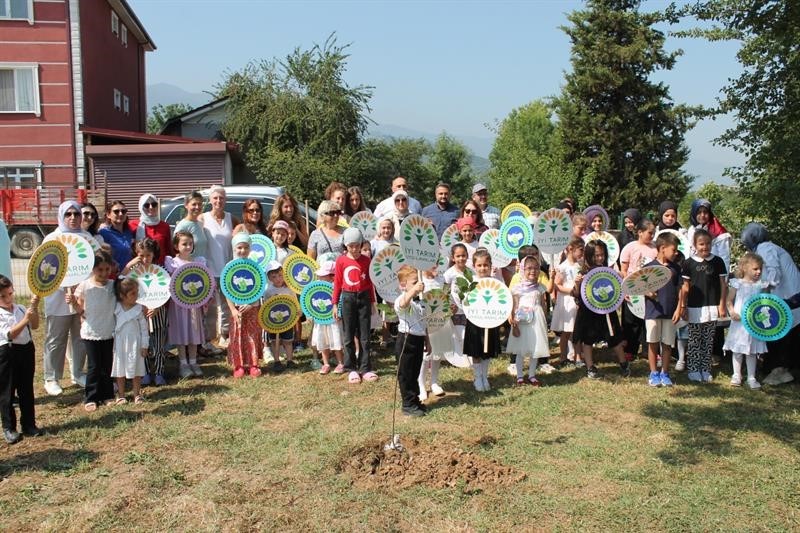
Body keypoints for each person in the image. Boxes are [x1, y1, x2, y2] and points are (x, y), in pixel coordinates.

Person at [740, 222, 800, 385]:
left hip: (789, 296)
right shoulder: (771, 247)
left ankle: (779, 370)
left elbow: (773, 272)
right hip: (790, 295)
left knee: (779, 331)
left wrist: (764, 289)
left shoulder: (765, 248)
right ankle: (782, 367)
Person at [42, 201, 90, 395]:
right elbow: (45, 268)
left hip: (82, 297)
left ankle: (78, 372)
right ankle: (51, 378)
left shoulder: (86, 238)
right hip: (58, 297)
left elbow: (92, 267)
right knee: (56, 338)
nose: (72, 217)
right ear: (61, 216)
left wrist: (79, 290)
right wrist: (65, 287)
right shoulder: (52, 239)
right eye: (68, 214)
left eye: (76, 214)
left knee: (80, 336)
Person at [571, 240, 631, 379]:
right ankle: (590, 366)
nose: (599, 258)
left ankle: (623, 363)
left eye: (602, 255)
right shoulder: (583, 272)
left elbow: (617, 290)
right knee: (587, 339)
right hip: (588, 312)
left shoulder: (608, 271)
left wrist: (622, 294)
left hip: (607, 311)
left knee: (614, 337)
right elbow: (576, 294)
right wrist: (578, 283)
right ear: (589, 255)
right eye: (596, 255)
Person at [680, 229, 728, 383]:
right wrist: (683, 307)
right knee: (694, 339)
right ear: (695, 245)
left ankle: (705, 368)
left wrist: (722, 305)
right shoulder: (688, 263)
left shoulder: (718, 262)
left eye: (708, 243)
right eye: (701, 244)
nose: (705, 247)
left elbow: (723, 285)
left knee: (708, 339)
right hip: (694, 307)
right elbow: (685, 287)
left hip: (712, 306)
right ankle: (693, 369)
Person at [333, 227, 377, 384]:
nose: (354, 249)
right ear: (346, 246)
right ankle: (350, 367)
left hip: (363, 298)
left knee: (365, 335)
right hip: (347, 298)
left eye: (357, 245)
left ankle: (365, 367)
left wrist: (372, 302)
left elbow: (370, 283)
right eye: (351, 246)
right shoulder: (341, 261)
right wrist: (334, 304)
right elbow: (337, 283)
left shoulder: (366, 261)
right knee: (348, 335)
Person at [73, 250, 116, 412]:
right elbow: (79, 309)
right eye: (100, 270)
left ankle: (107, 395)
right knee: (94, 366)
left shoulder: (113, 286)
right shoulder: (85, 285)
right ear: (93, 269)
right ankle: (91, 397)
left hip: (108, 331)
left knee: (107, 365)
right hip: (90, 332)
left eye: (107, 269)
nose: (104, 273)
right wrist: (73, 303)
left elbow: (128, 279)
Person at [0, 276, 41, 444]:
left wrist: (34, 309)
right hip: (7, 353)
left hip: (26, 350)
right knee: (6, 392)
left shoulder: (21, 308)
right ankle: (9, 428)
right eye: (3, 296)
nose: (9, 298)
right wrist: (25, 320)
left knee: (26, 390)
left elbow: (36, 325)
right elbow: (10, 334)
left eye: (10, 293)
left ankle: (29, 424)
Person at [122, 239, 168, 386]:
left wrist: (157, 306)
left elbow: (166, 291)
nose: (145, 259)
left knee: (159, 345)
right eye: (141, 255)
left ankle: (159, 372)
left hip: (158, 315)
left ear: (154, 254)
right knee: (144, 344)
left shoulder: (160, 270)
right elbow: (121, 282)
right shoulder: (134, 272)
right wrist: (129, 266)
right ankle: (146, 372)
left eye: (148, 255)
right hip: (140, 315)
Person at [723, 252, 770, 389]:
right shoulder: (738, 283)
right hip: (739, 323)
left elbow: (767, 302)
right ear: (744, 268)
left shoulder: (762, 285)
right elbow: (729, 300)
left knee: (752, 351)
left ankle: (751, 377)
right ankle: (736, 375)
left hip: (755, 323)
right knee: (738, 349)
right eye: (755, 269)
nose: (758, 272)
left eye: (760, 269)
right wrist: (732, 312)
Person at [199, 186, 237, 351]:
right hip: (209, 270)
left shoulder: (232, 218)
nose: (218, 201)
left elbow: (241, 235)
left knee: (227, 307)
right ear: (210, 200)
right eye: (215, 198)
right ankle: (208, 341)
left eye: (221, 198)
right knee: (210, 309)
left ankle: (225, 337)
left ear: (225, 200)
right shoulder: (203, 218)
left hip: (228, 270)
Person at [165, 231, 207, 379]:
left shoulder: (198, 262)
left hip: (194, 304)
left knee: (194, 331)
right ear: (176, 246)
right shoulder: (172, 263)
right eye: (184, 244)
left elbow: (205, 283)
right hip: (178, 305)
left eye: (190, 243)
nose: (188, 246)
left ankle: (194, 362)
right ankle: (183, 363)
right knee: (181, 332)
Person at [643, 232, 682, 387]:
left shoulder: (676, 268)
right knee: (653, 342)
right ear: (662, 248)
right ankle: (653, 373)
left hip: (670, 312)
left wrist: (679, 309)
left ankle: (665, 373)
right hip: (653, 312)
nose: (676, 252)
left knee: (667, 344)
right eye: (674, 249)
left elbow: (680, 290)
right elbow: (641, 287)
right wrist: (648, 293)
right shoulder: (649, 268)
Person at [507, 255, 549, 386]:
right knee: (520, 349)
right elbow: (514, 305)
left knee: (535, 348)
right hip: (522, 321)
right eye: (529, 268)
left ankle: (532, 375)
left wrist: (545, 319)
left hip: (537, 320)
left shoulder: (540, 287)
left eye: (536, 268)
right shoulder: (517, 288)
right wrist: (513, 320)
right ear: (522, 269)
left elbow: (543, 304)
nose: (533, 271)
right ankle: (520, 375)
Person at [463, 248, 502, 392]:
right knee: (476, 351)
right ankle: (477, 377)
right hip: (475, 322)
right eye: (479, 265)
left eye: (485, 265)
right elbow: (466, 302)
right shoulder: (471, 283)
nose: (482, 268)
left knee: (488, 350)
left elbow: (501, 300)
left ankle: (485, 376)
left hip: (491, 321)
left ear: (490, 266)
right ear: (474, 266)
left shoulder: (495, 282)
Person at [225, 233, 263, 378]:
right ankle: (239, 365)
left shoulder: (254, 266)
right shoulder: (229, 267)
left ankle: (253, 364)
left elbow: (259, 287)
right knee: (237, 336)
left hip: (252, 308)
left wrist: (252, 303)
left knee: (252, 335)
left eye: (246, 247)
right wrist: (233, 310)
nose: (242, 250)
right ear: (234, 248)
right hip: (236, 310)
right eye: (239, 247)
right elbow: (226, 290)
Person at [620, 219, 657, 361]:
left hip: (649, 290)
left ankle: (648, 350)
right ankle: (630, 349)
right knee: (631, 320)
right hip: (632, 290)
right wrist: (626, 289)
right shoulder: (630, 247)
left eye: (653, 233)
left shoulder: (655, 248)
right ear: (640, 233)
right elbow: (624, 270)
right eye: (650, 233)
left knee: (648, 321)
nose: (652, 235)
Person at [394, 265, 427, 417]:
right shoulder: (402, 298)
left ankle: (415, 400)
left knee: (415, 371)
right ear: (403, 285)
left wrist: (427, 340)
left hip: (418, 338)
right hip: (406, 339)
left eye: (419, 282)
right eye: (414, 282)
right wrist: (413, 290)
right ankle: (407, 404)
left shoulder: (419, 301)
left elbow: (423, 322)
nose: (418, 285)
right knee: (406, 373)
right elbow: (403, 304)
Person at [110, 277, 148, 404]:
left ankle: (137, 394)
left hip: (135, 344)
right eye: (133, 293)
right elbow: (112, 325)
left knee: (136, 370)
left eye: (137, 292)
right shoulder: (116, 308)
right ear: (122, 295)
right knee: (120, 370)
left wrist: (144, 345)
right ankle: (121, 395)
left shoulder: (139, 309)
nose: (136, 295)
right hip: (120, 344)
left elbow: (144, 329)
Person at [551, 237, 584, 367]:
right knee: (566, 332)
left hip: (578, 301)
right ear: (571, 249)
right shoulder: (563, 267)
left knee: (577, 330)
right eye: (580, 249)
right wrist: (571, 291)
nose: (582, 252)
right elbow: (557, 285)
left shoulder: (579, 265)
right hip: (568, 301)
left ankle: (577, 356)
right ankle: (563, 357)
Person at [311, 260, 345, 375]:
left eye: (323, 276)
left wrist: (339, 314)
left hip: (333, 320)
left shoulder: (337, 288)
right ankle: (326, 364)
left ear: (332, 276)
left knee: (336, 340)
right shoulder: (318, 287)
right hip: (320, 319)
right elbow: (311, 301)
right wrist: (311, 313)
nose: (319, 277)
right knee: (322, 340)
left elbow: (340, 302)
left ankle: (340, 362)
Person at [263, 260, 297, 370]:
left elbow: (295, 301)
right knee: (274, 341)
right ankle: (277, 361)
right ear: (270, 278)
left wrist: (298, 310)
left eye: (280, 276)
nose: (278, 279)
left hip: (287, 319)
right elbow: (265, 307)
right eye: (274, 277)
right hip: (274, 322)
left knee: (287, 341)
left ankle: (290, 360)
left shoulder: (289, 289)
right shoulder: (268, 291)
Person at [444, 243, 471, 361]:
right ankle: (454, 356)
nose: (461, 258)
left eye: (463, 255)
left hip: (467, 310)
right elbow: (444, 291)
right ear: (453, 258)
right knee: (454, 334)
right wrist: (448, 305)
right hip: (454, 310)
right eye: (458, 256)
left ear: (467, 256)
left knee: (465, 334)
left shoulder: (471, 272)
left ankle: (466, 355)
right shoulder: (449, 274)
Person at [130, 194, 170, 265]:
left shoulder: (165, 226)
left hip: (160, 269)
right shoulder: (133, 225)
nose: (151, 207)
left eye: (154, 204)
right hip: (139, 269)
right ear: (141, 207)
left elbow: (168, 250)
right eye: (146, 205)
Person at [98, 201, 134, 274]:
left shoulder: (129, 232)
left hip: (130, 276)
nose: (120, 214)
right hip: (113, 276)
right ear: (108, 215)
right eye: (116, 211)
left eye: (123, 211)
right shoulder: (103, 233)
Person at [174, 191, 209, 260]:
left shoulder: (200, 224)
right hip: (190, 268)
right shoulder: (182, 226)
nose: (197, 207)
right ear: (186, 205)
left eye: (199, 204)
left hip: (201, 268)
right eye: (194, 204)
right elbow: (176, 251)